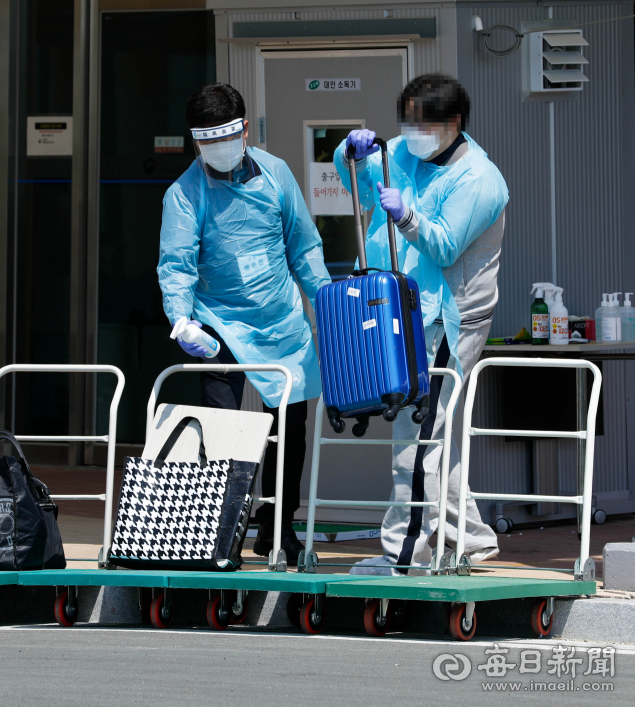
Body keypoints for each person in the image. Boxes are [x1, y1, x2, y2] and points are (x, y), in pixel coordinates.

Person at [333, 73, 509, 576]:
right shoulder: (401, 152)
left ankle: (405, 554)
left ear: (453, 123)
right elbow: (357, 183)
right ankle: (470, 540)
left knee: (415, 435)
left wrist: (407, 216)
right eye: (406, 121)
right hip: (398, 309)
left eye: (423, 123)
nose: (411, 132)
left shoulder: (479, 179)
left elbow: (445, 245)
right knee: (431, 433)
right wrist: (348, 154)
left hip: (445, 318)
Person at [158, 83, 331, 565]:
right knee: (221, 429)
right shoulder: (184, 193)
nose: (218, 150)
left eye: (226, 137)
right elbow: (176, 265)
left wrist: (327, 305)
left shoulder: (276, 174)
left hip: (281, 321)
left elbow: (304, 245)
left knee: (289, 428)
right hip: (219, 325)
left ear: (245, 130)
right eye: (207, 142)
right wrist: (182, 321)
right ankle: (220, 531)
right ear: (196, 143)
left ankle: (280, 527)